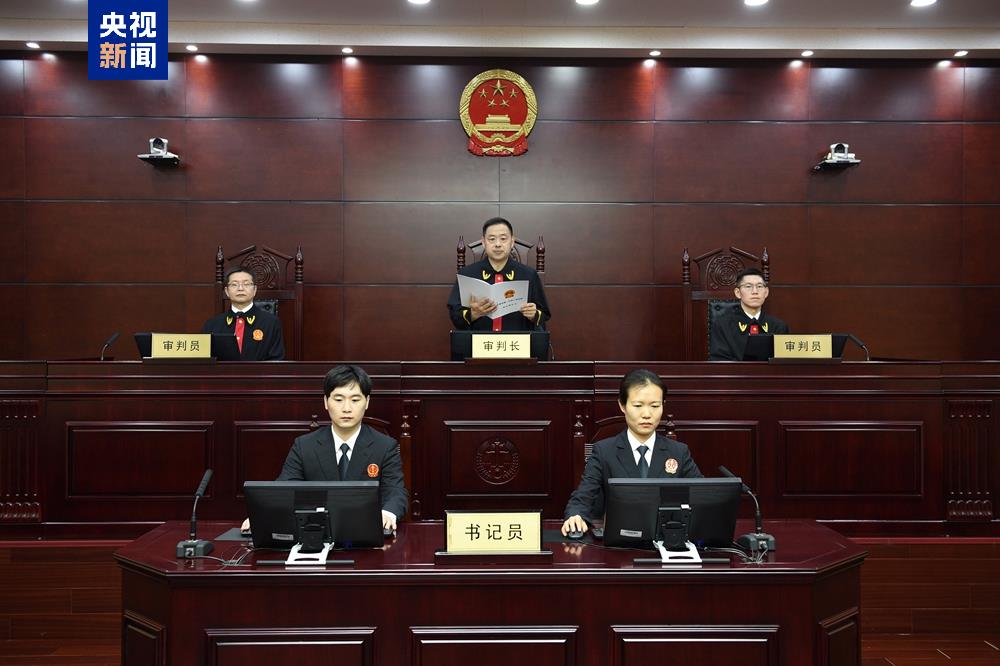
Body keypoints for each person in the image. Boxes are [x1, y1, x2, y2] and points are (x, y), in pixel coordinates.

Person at [561, 369, 702, 536]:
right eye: (638, 406)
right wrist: (575, 515)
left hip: (666, 537)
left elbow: (704, 495)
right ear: (622, 405)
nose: (647, 414)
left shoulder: (678, 451)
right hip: (620, 539)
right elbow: (584, 495)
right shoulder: (604, 451)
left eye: (655, 406)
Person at [277, 364, 408, 531]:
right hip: (317, 531)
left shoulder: (385, 446)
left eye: (355, 400)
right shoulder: (304, 446)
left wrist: (388, 513)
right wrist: (263, 516)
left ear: (367, 402)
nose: (347, 408)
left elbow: (396, 491)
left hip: (365, 531)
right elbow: (284, 490)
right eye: (338, 400)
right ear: (326, 402)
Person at [447, 217, 551, 331]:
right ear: (483, 242)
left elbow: (544, 314)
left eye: (503, 239)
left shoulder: (529, 275)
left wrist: (533, 314)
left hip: (516, 341)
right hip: (478, 340)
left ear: (512, 242)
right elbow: (455, 315)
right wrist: (473, 314)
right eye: (492, 239)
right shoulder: (467, 274)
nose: (498, 244)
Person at [201, 266, 285, 361]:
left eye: (246, 284)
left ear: (254, 290)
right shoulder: (212, 324)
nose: (240, 288)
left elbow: (276, 361)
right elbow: (204, 361)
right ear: (227, 291)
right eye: (234, 284)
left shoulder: (271, 323)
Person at [708, 267, 789, 361]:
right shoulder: (722, 325)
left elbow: (783, 364)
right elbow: (719, 362)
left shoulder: (778, 327)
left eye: (759, 286)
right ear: (738, 293)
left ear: (766, 292)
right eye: (748, 286)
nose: (755, 291)